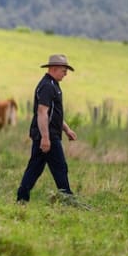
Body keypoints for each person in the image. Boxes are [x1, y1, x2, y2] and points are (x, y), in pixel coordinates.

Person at [17, 54, 78, 203]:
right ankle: (68, 199)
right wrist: (45, 138)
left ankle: (22, 199)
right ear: (54, 68)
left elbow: (53, 114)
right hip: (47, 135)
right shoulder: (47, 86)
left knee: (35, 168)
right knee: (60, 167)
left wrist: (66, 129)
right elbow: (42, 112)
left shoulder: (53, 85)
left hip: (48, 134)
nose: (66, 74)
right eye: (64, 70)